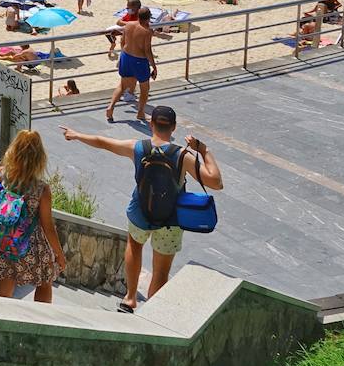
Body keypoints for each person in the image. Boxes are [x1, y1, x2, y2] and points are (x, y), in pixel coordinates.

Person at [61, 107, 224, 312]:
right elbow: (216, 182)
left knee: (134, 245)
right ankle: (152, 309)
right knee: (161, 271)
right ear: (173, 127)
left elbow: (103, 142)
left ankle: (130, 298)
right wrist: (204, 150)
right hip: (170, 220)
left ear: (151, 124)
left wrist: (76, 135)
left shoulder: (137, 147)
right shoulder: (183, 156)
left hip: (140, 212)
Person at [0, 130, 67, 302]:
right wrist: (59, 254)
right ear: (39, 158)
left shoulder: (1, 174)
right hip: (30, 247)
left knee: (3, 292)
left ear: (13, 151)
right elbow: (48, 227)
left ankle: (2, 320)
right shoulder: (41, 189)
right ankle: (40, 322)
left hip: (2, 242)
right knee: (45, 281)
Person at [106, 8, 156, 122]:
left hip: (126, 56)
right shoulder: (147, 31)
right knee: (145, 88)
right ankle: (140, 113)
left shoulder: (128, 25)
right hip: (139, 60)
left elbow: (123, 41)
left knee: (122, 85)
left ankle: (111, 107)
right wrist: (154, 67)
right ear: (148, 18)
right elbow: (148, 51)